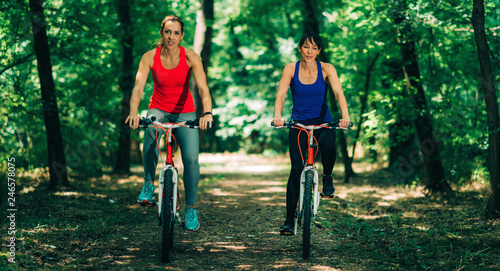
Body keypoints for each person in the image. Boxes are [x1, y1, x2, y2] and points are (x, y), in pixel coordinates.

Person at [125, 15, 213, 231]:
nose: (171, 36)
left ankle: (190, 208)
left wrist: (208, 113)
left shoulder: (191, 57)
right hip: (159, 108)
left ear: (181, 36)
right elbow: (138, 88)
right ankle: (148, 184)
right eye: (167, 32)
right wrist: (134, 112)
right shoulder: (149, 57)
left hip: (185, 112)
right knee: (150, 131)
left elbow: (203, 89)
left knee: (191, 159)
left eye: (176, 33)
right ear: (162, 33)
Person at [272, 32, 350, 234]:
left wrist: (345, 116)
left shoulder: (327, 69)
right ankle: (289, 220)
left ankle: (328, 177)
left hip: (322, 121)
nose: (310, 51)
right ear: (300, 48)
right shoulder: (290, 69)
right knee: (296, 169)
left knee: (329, 146)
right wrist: (278, 116)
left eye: (314, 48)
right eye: (306, 47)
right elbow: (281, 94)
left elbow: (338, 93)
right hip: (298, 124)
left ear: (319, 51)